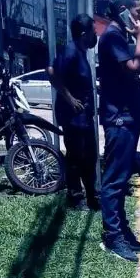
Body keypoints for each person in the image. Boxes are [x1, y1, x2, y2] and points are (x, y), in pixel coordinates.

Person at [97, 0, 140, 262]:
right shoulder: (113, 36)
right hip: (119, 119)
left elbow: (132, 65)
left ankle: (122, 231)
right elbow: (134, 66)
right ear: (124, 11)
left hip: (127, 118)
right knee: (114, 180)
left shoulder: (119, 36)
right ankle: (113, 237)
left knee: (122, 178)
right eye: (137, 11)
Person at [47, 13, 99, 211]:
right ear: (84, 33)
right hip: (74, 118)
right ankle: (76, 198)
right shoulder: (70, 51)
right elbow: (51, 71)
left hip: (84, 117)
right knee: (77, 158)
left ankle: (91, 196)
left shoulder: (79, 51)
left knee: (90, 157)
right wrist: (69, 98)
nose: (95, 35)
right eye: (93, 31)